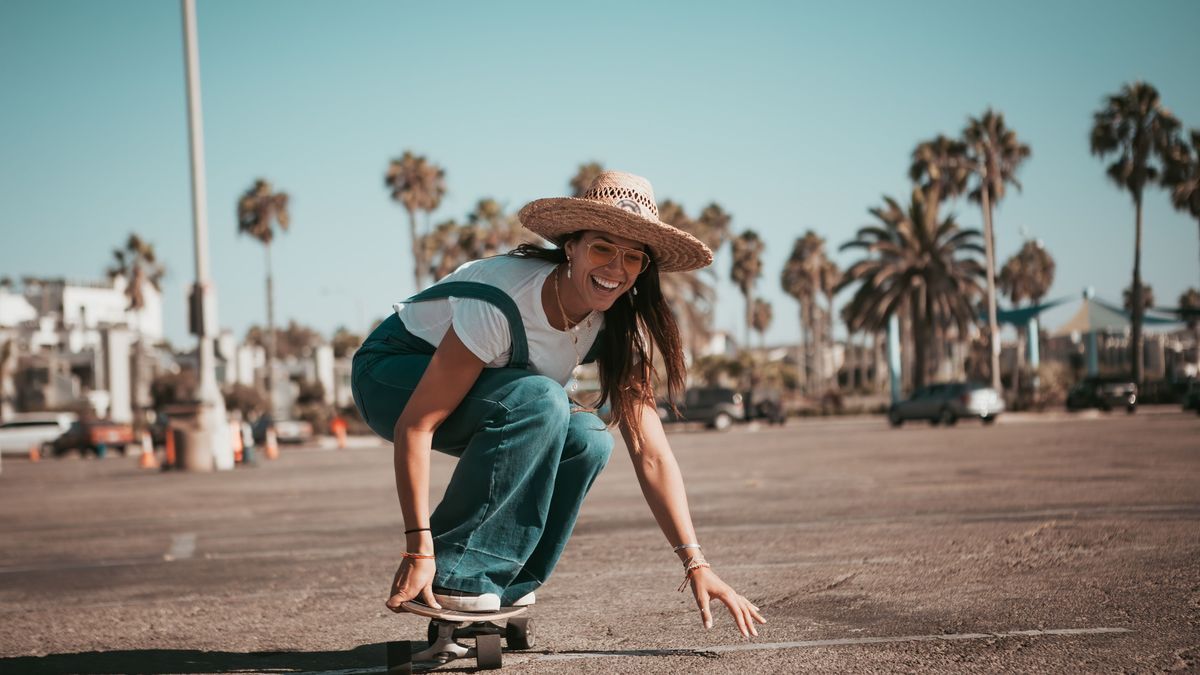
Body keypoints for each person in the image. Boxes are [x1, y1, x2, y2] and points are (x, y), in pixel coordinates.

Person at [351, 171, 766, 637]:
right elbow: (416, 426)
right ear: (572, 245)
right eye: (603, 247)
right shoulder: (504, 296)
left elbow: (651, 452)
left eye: (633, 257)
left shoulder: (618, 328)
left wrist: (696, 563)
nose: (616, 268)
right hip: (391, 378)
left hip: (485, 394)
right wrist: (419, 550)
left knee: (588, 437)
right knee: (542, 398)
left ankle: (508, 579)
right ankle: (458, 575)